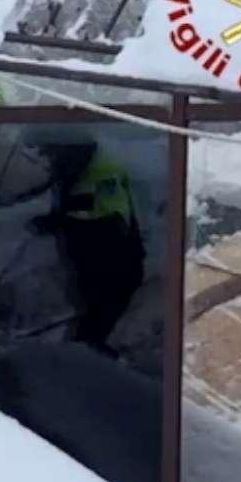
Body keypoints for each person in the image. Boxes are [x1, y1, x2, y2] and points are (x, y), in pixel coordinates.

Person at [26, 136, 146, 352]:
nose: (47, 158)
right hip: (111, 231)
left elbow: (86, 203)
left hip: (102, 232)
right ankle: (89, 345)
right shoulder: (97, 158)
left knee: (100, 296)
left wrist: (51, 221)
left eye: (48, 152)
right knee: (103, 296)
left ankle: (87, 346)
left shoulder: (87, 164)